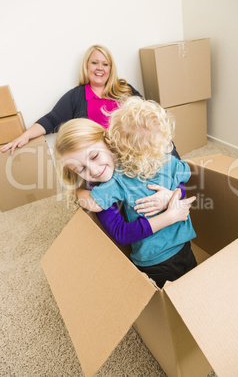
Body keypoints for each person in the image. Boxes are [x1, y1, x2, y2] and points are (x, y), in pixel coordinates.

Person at [54, 97, 197, 288]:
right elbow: (119, 231)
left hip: (183, 244)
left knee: (195, 283)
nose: (94, 171)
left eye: (95, 156)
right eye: (80, 169)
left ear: (109, 141)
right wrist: (79, 192)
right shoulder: (108, 184)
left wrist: (171, 195)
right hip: (156, 261)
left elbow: (178, 172)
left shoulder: (146, 153)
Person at [1, 44, 142, 154]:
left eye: (105, 64)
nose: (100, 68)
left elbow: (146, 115)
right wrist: (26, 136)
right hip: (97, 164)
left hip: (131, 155)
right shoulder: (76, 96)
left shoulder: (125, 89)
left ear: (110, 69)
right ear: (86, 66)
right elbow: (51, 120)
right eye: (94, 63)